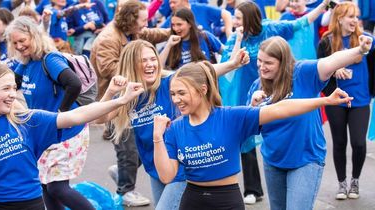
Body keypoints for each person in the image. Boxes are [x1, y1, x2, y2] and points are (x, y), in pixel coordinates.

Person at [152, 61, 353, 210]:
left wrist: (324, 101)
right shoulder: (175, 129)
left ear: (202, 90)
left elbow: (280, 109)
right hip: (192, 200)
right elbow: (167, 175)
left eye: (181, 93)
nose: (176, 99)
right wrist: (158, 138)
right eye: (172, 94)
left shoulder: (230, 117)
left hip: (227, 200)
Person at [96, 39, 249, 209]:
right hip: (155, 168)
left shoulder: (168, 84)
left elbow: (201, 72)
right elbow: (99, 118)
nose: (150, 64)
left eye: (153, 59)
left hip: (181, 168)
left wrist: (232, 64)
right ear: (131, 65)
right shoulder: (129, 97)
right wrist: (111, 92)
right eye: (143, 60)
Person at [0, 62, 144, 210]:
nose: (13, 94)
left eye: (14, 87)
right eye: (6, 88)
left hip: (30, 204)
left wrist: (121, 100)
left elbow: (77, 115)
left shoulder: (27, 120)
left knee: (56, 188)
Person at [245, 34, 373, 210]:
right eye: (260, 60)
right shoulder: (257, 86)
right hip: (273, 160)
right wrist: (253, 105)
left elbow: (331, 61)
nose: (261, 66)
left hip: (306, 159)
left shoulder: (302, 72)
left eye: (268, 63)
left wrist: (360, 49)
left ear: (283, 63)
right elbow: (248, 128)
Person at [5, 16, 90, 210]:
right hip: (46, 133)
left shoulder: (50, 59)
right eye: (14, 42)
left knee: (57, 188)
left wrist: (61, 114)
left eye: (22, 40)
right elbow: (10, 86)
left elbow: (74, 84)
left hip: (68, 130)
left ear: (33, 36)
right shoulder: (25, 63)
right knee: (44, 185)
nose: (18, 46)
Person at [90, 1, 170, 206]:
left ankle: (123, 172)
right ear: (130, 20)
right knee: (127, 147)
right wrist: (139, 63)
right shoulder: (108, 39)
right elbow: (108, 68)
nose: (146, 24)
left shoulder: (134, 31)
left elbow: (151, 35)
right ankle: (126, 190)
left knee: (142, 141)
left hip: (137, 94)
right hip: (118, 98)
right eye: (143, 21)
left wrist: (174, 30)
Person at [317, 1, 375, 200]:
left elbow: (369, 52)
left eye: (357, 17)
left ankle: (355, 180)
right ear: (340, 18)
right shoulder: (326, 41)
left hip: (360, 100)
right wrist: (334, 69)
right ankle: (342, 183)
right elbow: (320, 73)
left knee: (359, 143)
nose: (355, 20)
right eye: (351, 16)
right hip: (336, 100)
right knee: (339, 142)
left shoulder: (365, 39)